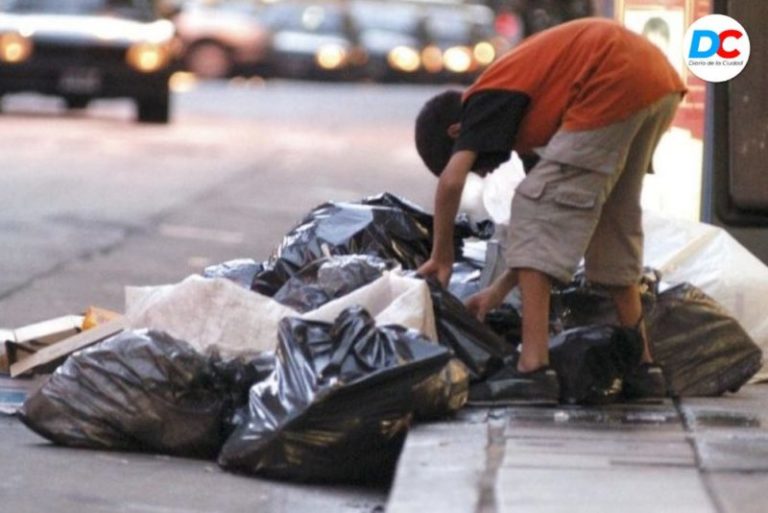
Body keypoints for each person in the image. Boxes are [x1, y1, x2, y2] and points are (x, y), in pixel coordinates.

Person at [414, 18, 686, 404]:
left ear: (457, 134)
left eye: (473, 162)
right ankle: (644, 369)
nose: (483, 171)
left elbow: (451, 183)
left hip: (611, 77)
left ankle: (532, 368)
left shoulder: (483, 99)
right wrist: (496, 292)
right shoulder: (528, 123)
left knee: (532, 206)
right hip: (656, 81)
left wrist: (440, 255)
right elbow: (550, 230)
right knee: (611, 223)